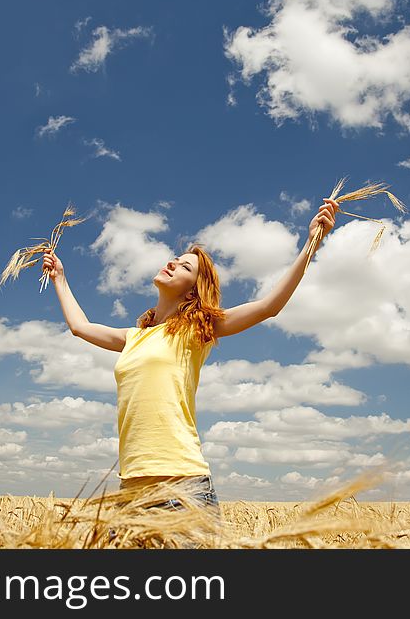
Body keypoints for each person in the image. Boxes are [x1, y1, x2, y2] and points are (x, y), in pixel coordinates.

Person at [41, 196, 339, 516]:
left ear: (191, 291)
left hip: (182, 488)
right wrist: (60, 277)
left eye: (185, 266)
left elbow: (269, 306)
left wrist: (312, 244)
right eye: (174, 259)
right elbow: (79, 327)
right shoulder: (133, 337)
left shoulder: (195, 331)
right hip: (130, 490)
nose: (171, 263)